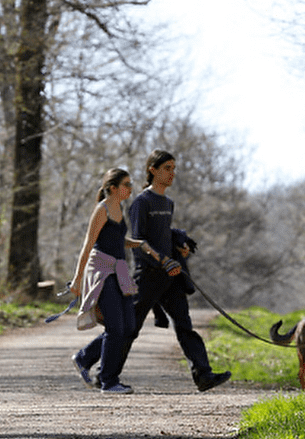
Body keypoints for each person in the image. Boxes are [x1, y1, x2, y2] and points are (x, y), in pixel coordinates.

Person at [126, 150, 231, 392]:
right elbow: (139, 242)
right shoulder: (141, 203)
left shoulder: (168, 203)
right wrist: (160, 261)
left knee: (185, 325)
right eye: (167, 168)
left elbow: (162, 235)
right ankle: (97, 366)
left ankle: (203, 375)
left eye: (174, 168)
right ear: (152, 170)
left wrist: (180, 246)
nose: (173, 173)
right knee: (129, 327)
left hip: (171, 275)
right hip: (148, 274)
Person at [68, 167, 148, 395]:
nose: (131, 189)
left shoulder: (119, 207)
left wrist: (138, 244)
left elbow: (116, 240)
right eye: (127, 185)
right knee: (115, 327)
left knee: (129, 326)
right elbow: (88, 244)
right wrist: (77, 279)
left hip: (119, 271)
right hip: (102, 272)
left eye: (131, 185)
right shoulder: (101, 209)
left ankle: (84, 358)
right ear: (113, 188)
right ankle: (109, 381)